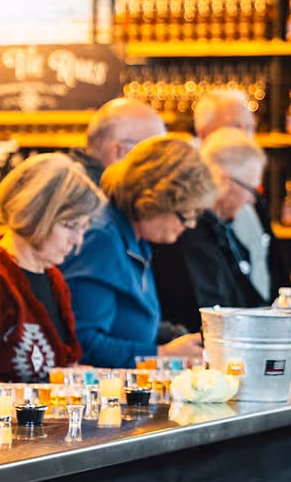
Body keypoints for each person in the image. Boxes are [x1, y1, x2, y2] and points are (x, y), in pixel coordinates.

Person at [0, 154, 105, 382]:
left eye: (83, 228)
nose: (77, 240)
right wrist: (23, 397)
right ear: (35, 214)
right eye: (70, 226)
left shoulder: (53, 278)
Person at [61, 136, 213, 368]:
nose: (190, 225)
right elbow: (83, 343)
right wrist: (161, 353)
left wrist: (171, 339)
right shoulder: (101, 241)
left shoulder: (134, 237)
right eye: (186, 215)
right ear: (152, 202)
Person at [154, 129, 268, 331]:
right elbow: (209, 312)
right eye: (251, 189)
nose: (252, 200)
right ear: (226, 180)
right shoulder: (189, 231)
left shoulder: (219, 228)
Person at [192, 88, 273, 300]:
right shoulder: (191, 217)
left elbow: (271, 265)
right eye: (236, 127)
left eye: (250, 128)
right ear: (202, 133)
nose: (246, 136)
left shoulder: (249, 194)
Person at [68, 97, 166, 187]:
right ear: (118, 151)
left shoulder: (70, 184)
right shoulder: (104, 202)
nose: (159, 168)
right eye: (153, 155)